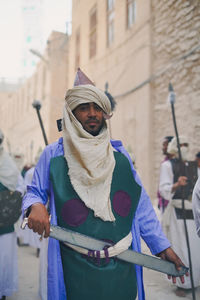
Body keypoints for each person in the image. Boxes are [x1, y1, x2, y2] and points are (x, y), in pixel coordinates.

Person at [22, 69, 187, 300]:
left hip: (122, 263)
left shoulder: (120, 155)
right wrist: (35, 206)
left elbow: (140, 207)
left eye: (97, 107)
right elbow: (33, 193)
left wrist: (161, 245)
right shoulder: (53, 155)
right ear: (71, 113)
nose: (92, 113)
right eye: (84, 107)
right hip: (73, 265)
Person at [159, 136, 200, 296]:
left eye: (186, 144)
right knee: (181, 248)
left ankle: (195, 280)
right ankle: (182, 282)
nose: (183, 147)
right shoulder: (167, 166)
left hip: (192, 212)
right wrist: (176, 185)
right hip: (177, 214)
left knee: (195, 248)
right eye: (180, 144)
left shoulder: (193, 166)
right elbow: (163, 189)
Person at [0, 129, 24, 300]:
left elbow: (20, 187)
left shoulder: (8, 165)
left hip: (4, 222)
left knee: (3, 260)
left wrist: (12, 197)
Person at [157, 136, 173, 213]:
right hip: (163, 202)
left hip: (171, 203)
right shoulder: (165, 162)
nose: (163, 147)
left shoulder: (172, 164)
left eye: (165, 145)